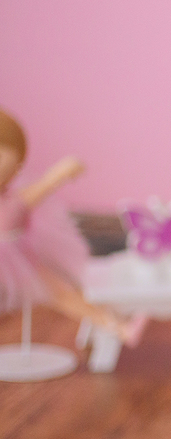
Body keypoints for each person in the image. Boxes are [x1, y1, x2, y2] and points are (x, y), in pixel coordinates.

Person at [0, 108, 143, 342]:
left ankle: (115, 324)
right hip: (16, 259)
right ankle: (115, 323)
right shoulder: (18, 200)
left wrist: (61, 173)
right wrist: (60, 173)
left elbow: (41, 189)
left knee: (62, 293)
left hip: (20, 257)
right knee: (62, 293)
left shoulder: (17, 199)